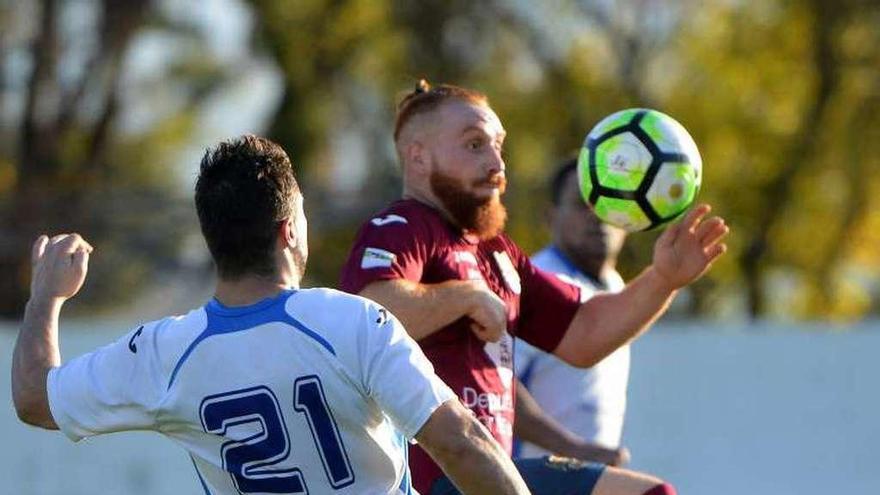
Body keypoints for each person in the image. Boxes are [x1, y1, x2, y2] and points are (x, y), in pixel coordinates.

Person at [12, 135, 532, 495]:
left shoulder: (164, 352)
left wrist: (46, 298)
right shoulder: (352, 322)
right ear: (289, 230)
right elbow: (459, 443)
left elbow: (35, 399)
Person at [340, 81, 729, 495]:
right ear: (418, 156)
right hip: (433, 481)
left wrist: (662, 279)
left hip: (491, 475)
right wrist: (466, 296)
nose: (497, 164)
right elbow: (368, 313)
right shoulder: (403, 227)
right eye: (475, 146)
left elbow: (584, 335)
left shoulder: (497, 252)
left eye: (498, 146)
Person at [515, 158, 630, 461]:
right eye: (582, 204)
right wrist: (574, 450)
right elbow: (494, 384)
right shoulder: (536, 284)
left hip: (586, 479)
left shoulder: (615, 285)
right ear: (550, 218)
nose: (597, 216)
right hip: (528, 479)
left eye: (608, 203)